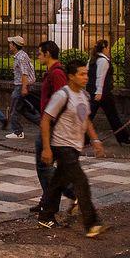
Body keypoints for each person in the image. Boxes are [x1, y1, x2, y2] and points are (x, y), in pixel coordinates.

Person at [37, 59, 107, 237]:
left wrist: (95, 140)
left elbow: (86, 120)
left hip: (75, 146)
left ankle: (45, 215)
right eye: (82, 74)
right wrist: (46, 148)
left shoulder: (83, 95)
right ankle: (91, 223)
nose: (86, 78)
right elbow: (45, 120)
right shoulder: (62, 95)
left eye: (87, 74)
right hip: (62, 145)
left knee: (57, 182)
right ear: (71, 76)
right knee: (81, 182)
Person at [31, 40, 76, 214]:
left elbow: (62, 99)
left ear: (47, 53)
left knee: (45, 166)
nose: (38, 55)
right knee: (46, 166)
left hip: (52, 126)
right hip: (49, 124)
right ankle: (47, 200)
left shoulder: (56, 73)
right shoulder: (51, 72)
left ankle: (70, 193)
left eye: (40, 52)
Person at [88, 39, 130, 145]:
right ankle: (123, 137)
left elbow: (88, 74)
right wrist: (99, 92)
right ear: (104, 48)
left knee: (107, 115)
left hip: (95, 92)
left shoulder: (92, 59)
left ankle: (123, 137)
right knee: (111, 116)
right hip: (103, 93)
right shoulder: (103, 61)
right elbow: (100, 77)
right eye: (108, 48)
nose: (109, 50)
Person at [5, 35, 38, 140]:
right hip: (21, 85)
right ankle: (44, 124)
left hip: (20, 86)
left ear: (15, 45)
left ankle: (18, 132)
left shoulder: (21, 57)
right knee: (24, 110)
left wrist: (24, 87)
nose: (9, 45)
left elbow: (25, 73)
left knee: (14, 108)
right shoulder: (21, 55)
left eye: (11, 43)